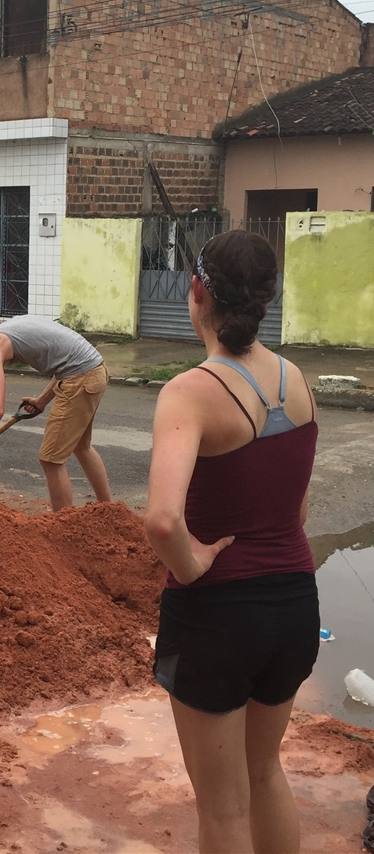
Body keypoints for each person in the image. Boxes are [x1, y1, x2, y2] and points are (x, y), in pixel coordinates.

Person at [144, 230, 318, 853]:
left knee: (222, 809)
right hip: (294, 607)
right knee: (266, 772)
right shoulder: (297, 380)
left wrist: (192, 566)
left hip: (216, 618)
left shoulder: (189, 391)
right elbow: (297, 506)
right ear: (266, 297)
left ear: (196, 292)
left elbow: (163, 521)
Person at [0, 312, 111, 511]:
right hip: (94, 369)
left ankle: (63, 523)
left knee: (50, 459)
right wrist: (41, 401)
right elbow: (65, 362)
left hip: (81, 376)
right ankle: (108, 509)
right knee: (81, 446)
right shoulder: (13, 326)